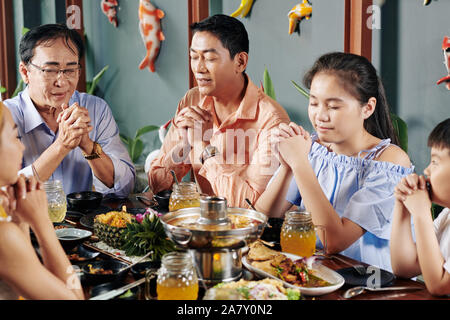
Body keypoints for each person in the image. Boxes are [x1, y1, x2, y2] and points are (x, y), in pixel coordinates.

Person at [255, 52, 412, 272]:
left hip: (369, 285)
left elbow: (334, 242)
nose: (320, 116)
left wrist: (300, 163)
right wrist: (287, 165)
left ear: (367, 107)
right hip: (312, 275)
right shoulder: (313, 148)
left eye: (333, 106)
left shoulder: (390, 160)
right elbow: (261, 219)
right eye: (314, 103)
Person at [148, 14, 290, 207]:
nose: (198, 68)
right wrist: (184, 145)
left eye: (209, 58)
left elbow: (249, 207)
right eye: (193, 57)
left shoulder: (272, 120)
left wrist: (204, 147)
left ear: (240, 62)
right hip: (202, 225)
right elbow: (156, 185)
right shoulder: (193, 100)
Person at [3, 24, 134, 197]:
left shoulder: (95, 109)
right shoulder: (6, 117)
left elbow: (124, 187)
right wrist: (61, 146)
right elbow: (5, 196)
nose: (62, 82)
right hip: (26, 223)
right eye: (50, 70)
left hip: (82, 223)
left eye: (71, 70)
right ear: (25, 72)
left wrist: (88, 146)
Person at [0, 102, 84, 300]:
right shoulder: (3, 237)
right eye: (14, 136)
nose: (21, 146)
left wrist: (19, 220)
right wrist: (42, 223)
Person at [390, 118, 450, 296]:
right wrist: (403, 206)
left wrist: (422, 214)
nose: (427, 170)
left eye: (435, 162)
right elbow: (404, 267)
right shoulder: (447, 215)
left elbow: (440, 286)